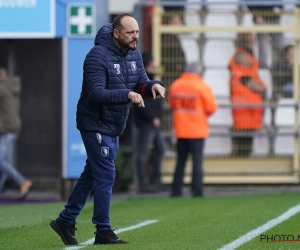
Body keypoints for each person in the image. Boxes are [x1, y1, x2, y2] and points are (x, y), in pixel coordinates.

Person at [50, 13, 165, 246]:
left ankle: (66, 220)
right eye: (130, 33)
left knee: (92, 174)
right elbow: (96, 93)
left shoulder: (133, 54)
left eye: (137, 32)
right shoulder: (96, 56)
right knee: (106, 174)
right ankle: (103, 230)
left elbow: (140, 82)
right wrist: (127, 94)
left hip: (114, 125)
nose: (135, 37)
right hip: (95, 123)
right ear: (116, 33)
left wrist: (152, 86)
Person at [168, 62, 218, 197]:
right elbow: (212, 108)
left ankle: (176, 190)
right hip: (197, 130)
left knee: (180, 161)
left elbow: (172, 104)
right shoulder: (201, 86)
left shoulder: (176, 85)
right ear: (199, 72)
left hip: (181, 130)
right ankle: (196, 190)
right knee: (197, 162)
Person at [229, 33, 267, 157]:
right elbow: (259, 87)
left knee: (245, 142)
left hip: (247, 112)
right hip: (245, 113)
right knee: (243, 145)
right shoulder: (242, 74)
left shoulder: (240, 72)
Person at [133, 51, 165, 193]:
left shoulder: (149, 79)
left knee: (160, 149)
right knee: (143, 152)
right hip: (147, 122)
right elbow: (142, 103)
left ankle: (155, 179)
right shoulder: (142, 81)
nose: (154, 65)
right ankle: (143, 183)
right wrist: (153, 117)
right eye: (152, 62)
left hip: (152, 121)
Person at [0, 67, 32, 199]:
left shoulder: (2, 89)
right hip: (12, 129)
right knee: (3, 161)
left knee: (0, 160)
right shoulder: (11, 87)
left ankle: (22, 181)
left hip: (6, 130)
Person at [245, 0, 283, 68]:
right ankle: (263, 67)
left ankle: (279, 66)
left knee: (279, 42)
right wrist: (256, 13)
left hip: (274, 17)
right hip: (261, 17)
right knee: (263, 44)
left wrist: (280, 7)